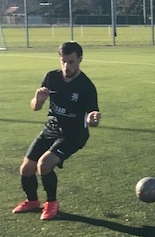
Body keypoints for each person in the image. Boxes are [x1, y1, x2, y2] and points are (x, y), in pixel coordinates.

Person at [12, 41, 101, 220]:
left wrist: (92, 119)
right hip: (51, 129)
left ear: (80, 59)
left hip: (74, 135)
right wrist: (38, 100)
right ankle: (32, 201)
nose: (67, 66)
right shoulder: (51, 77)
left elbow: (93, 118)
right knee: (26, 169)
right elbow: (35, 107)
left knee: (44, 164)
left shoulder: (86, 86)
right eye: (63, 61)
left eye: (71, 62)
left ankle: (51, 203)